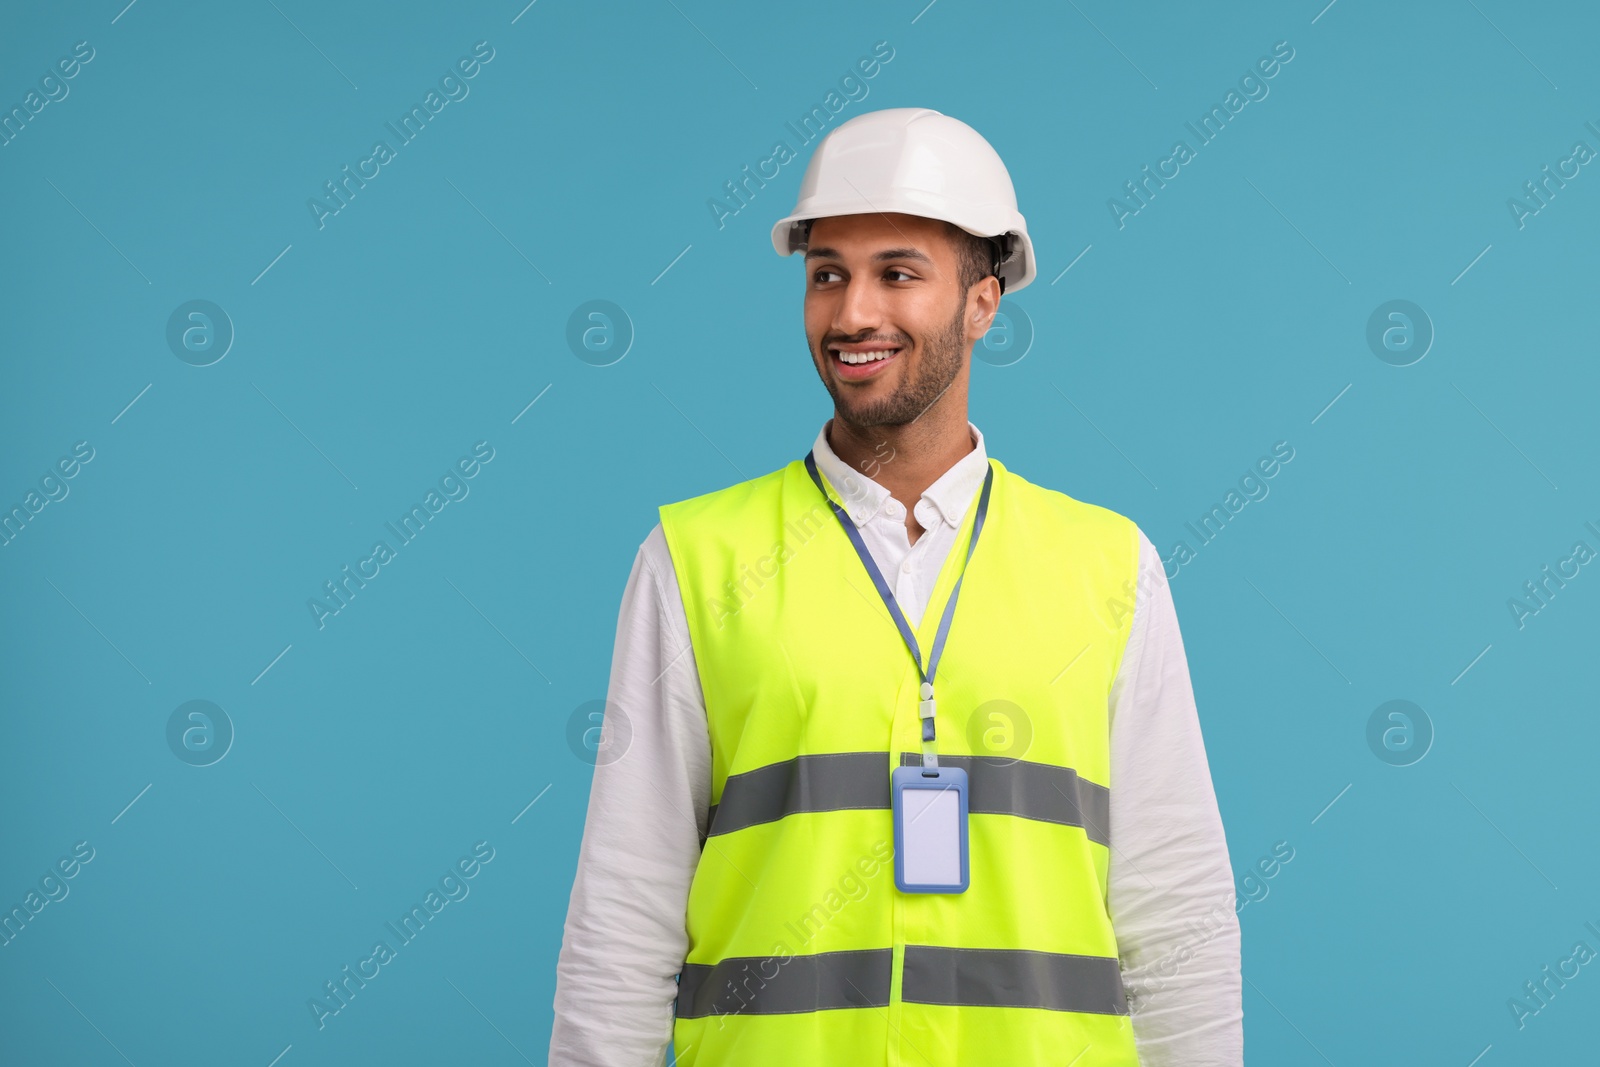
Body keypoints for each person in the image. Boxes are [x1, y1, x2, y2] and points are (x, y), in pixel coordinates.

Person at [549, 107, 1241, 1066]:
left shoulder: (1110, 565)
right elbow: (623, 921)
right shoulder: (693, 559)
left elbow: (1178, 919)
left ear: (983, 302)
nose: (852, 313)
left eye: (898, 273)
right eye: (826, 272)